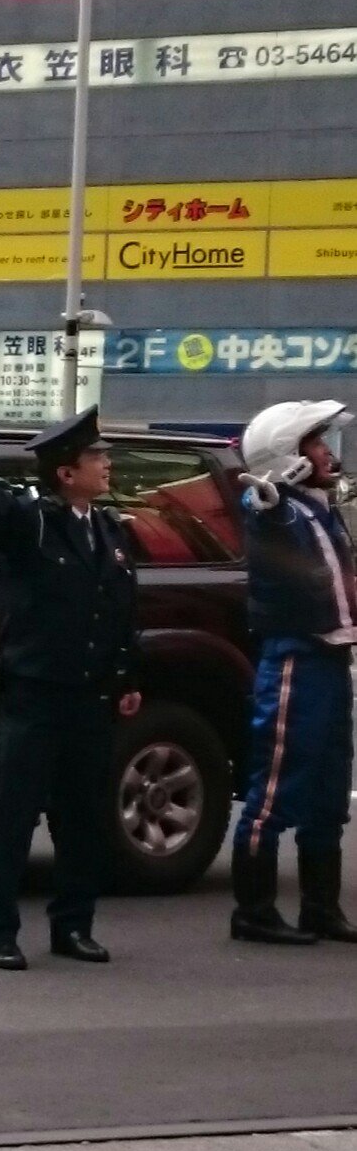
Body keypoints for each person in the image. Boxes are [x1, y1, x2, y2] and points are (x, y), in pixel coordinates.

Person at [0, 407, 138, 971]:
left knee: (83, 817)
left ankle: (73, 925)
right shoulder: (33, 522)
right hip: (36, 694)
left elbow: (120, 610)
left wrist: (128, 676)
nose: (107, 464)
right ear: (66, 471)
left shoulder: (108, 530)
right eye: (97, 457)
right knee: (15, 816)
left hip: (90, 694)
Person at [225, 400, 357, 945]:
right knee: (275, 791)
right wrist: (275, 490)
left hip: (331, 659)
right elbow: (265, 505)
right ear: (290, 456)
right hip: (295, 661)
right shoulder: (274, 507)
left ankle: (320, 907)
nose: (328, 452)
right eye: (316, 443)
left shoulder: (321, 508)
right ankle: (253, 911)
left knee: (328, 790)